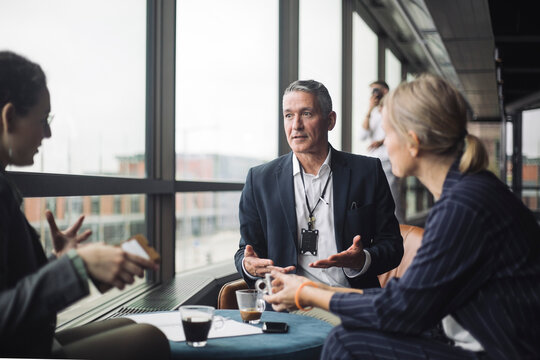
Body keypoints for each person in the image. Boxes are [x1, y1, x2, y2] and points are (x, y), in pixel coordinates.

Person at [264, 74, 540, 359]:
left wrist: (306, 293)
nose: (383, 147)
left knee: (347, 344)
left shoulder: (464, 207)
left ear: (413, 142)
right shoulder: (469, 192)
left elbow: (402, 310)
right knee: (349, 339)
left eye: (388, 135)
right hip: (481, 340)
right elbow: (405, 300)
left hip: (504, 351)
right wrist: (314, 289)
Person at [0, 51, 170, 359]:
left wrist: (59, 261)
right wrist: (78, 267)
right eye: (43, 120)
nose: (48, 133)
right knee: (149, 338)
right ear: (9, 117)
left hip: (25, 342)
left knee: (132, 324)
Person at [234, 79, 403, 292]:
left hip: (350, 300)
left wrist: (362, 260)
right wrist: (248, 266)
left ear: (330, 121)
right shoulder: (259, 179)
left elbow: (392, 245)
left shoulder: (367, 172)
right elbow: (246, 251)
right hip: (287, 304)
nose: (296, 125)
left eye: (306, 114)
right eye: (288, 115)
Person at [359, 81, 405, 223]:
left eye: (376, 90)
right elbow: (362, 136)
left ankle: (402, 231)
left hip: (388, 160)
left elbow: (400, 131)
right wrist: (369, 109)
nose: (374, 94)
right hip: (373, 162)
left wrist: (381, 141)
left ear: (385, 91)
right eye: (372, 91)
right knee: (374, 200)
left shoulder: (394, 109)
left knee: (393, 199)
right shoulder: (373, 113)